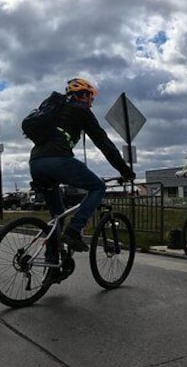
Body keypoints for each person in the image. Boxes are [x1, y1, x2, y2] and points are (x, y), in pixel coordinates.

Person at [29, 78, 136, 256]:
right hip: (58, 161)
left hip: (36, 163)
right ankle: (74, 231)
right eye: (91, 98)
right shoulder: (81, 110)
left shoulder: (54, 109)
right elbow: (104, 144)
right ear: (83, 95)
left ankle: (52, 262)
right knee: (97, 187)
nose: (91, 103)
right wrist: (125, 171)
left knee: (58, 216)